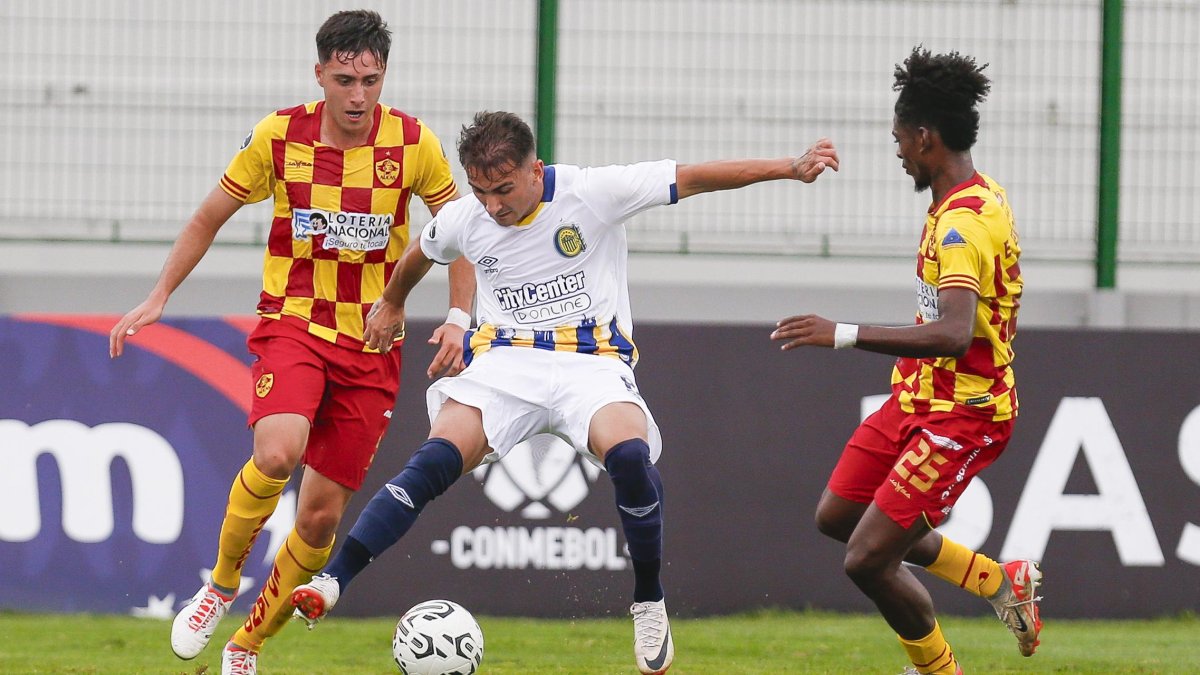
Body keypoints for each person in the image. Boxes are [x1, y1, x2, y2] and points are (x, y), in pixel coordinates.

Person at [288, 110, 839, 674]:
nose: (494, 206)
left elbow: (695, 176)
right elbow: (424, 252)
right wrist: (395, 300)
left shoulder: (594, 192)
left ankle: (648, 599)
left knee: (628, 455)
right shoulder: (467, 217)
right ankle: (334, 579)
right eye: (480, 191)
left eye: (503, 189)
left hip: (590, 363)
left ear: (536, 170)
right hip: (504, 364)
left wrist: (789, 168)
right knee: (432, 460)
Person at [108, 10, 475, 675]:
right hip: (295, 323)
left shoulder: (415, 143)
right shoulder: (280, 136)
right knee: (278, 451)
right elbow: (209, 214)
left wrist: (459, 314)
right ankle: (219, 585)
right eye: (345, 80)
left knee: (316, 523)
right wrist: (160, 293)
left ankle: (246, 643)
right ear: (321, 76)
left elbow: (460, 233)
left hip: (372, 344)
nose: (359, 95)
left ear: (383, 74)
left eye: (370, 79)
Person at [770, 48, 1040, 675]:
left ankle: (938, 670)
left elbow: (950, 334)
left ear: (925, 137)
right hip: (917, 399)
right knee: (838, 517)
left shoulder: (962, 227)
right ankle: (999, 582)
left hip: (962, 414)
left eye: (899, 138)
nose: (896, 151)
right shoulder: (973, 197)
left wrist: (841, 333)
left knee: (867, 559)